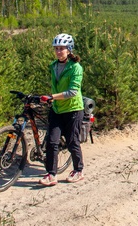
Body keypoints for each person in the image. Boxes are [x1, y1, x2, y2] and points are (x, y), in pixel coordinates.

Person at [39, 33, 85, 186]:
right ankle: (51, 174)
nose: (58, 51)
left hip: (73, 109)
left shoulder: (76, 68)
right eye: (56, 48)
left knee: (72, 141)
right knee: (52, 142)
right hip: (57, 109)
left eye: (62, 49)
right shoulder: (53, 65)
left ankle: (78, 170)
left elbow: (72, 91)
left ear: (69, 50)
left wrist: (52, 96)